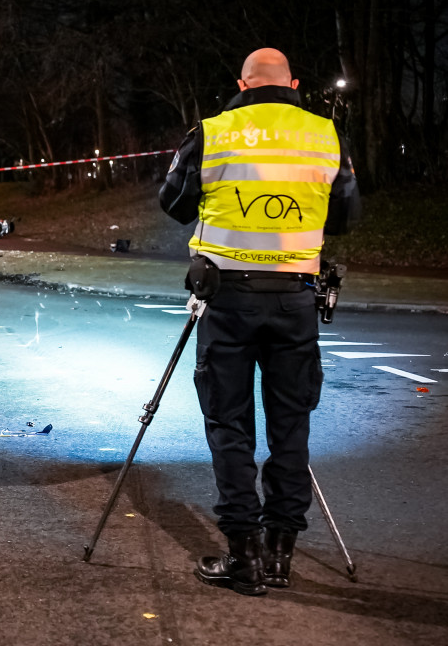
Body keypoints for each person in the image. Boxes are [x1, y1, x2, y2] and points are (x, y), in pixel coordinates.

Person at [159, 48, 360, 596]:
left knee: (230, 425)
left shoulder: (213, 131)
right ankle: (280, 555)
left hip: (227, 299)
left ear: (242, 84)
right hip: (296, 298)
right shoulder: (325, 134)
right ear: (292, 83)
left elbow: (173, 202)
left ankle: (242, 555)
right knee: (291, 426)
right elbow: (343, 215)